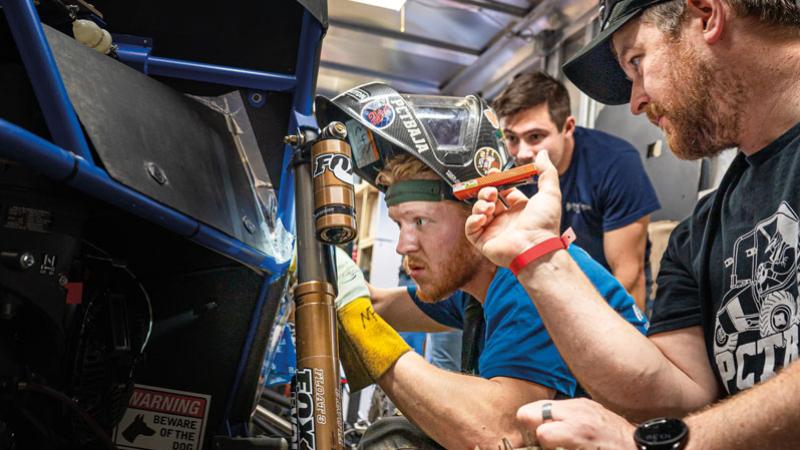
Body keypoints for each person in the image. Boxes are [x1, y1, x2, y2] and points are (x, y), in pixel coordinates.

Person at [465, 0, 800, 446]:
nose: (637, 101)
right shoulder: (701, 232)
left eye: (637, 62)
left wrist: (656, 443)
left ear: (707, 15)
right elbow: (673, 395)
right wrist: (537, 254)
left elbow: (672, 429)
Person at [320, 83, 647, 449]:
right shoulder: (477, 282)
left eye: (421, 222)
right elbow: (380, 306)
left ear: (478, 211)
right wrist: (323, 278)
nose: (403, 245)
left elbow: (496, 432)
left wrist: (368, 337)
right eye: (399, 224)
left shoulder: (528, 281)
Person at [492, 72, 661, 310]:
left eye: (535, 137)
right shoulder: (514, 171)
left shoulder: (616, 164)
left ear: (568, 127)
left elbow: (627, 275)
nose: (522, 153)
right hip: (550, 288)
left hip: (609, 293)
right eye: (511, 138)